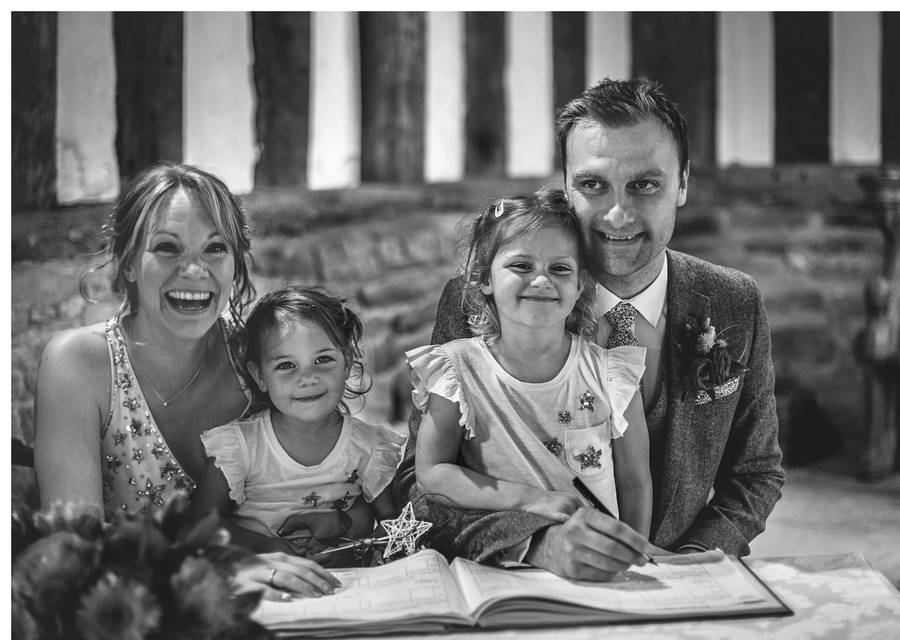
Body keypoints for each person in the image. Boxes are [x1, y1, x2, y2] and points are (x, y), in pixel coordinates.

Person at [395, 77, 785, 580]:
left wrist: (688, 565)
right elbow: (416, 483)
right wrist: (533, 544)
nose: (618, 214)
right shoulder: (476, 303)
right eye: (593, 185)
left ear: (683, 183)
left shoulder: (735, 301)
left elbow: (755, 473)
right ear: (565, 185)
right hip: (525, 584)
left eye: (645, 185)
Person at [33, 163, 341, 599]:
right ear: (128, 263)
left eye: (215, 249)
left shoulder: (259, 361)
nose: (194, 270)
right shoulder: (78, 365)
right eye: (167, 248)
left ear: (236, 265)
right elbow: (71, 543)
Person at [407, 191, 653, 540]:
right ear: (485, 278)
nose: (541, 280)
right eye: (522, 266)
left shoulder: (612, 375)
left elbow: (635, 480)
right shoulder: (456, 369)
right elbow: (432, 474)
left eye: (560, 268)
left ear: (579, 284)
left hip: (596, 560)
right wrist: (530, 500)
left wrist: (633, 551)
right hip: (505, 556)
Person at [190, 285, 404, 565]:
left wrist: (343, 524)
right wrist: (263, 546)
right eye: (286, 365)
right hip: (265, 591)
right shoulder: (242, 447)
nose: (307, 378)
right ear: (259, 375)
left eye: (323, 359)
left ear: (348, 363)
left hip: (350, 590)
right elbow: (199, 525)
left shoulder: (368, 448)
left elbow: (394, 526)